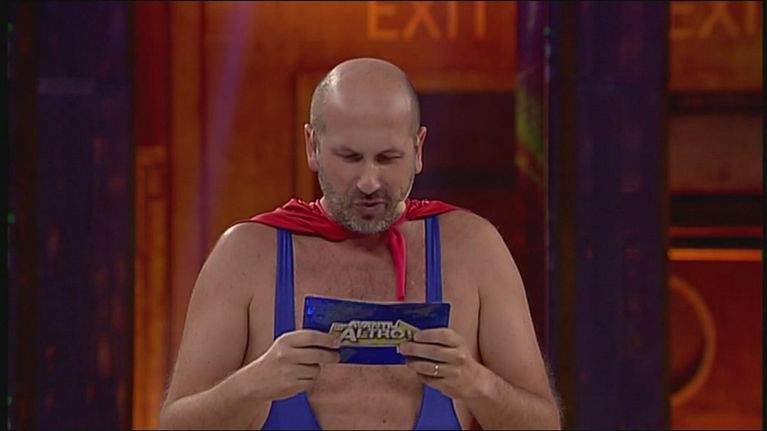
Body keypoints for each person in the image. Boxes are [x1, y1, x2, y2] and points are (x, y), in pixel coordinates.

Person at [159, 57, 561, 430]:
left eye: (387, 158)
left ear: (418, 150)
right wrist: (252, 385)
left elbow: (544, 424)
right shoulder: (246, 256)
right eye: (350, 157)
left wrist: (476, 383)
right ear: (313, 147)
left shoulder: (474, 250)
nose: (369, 182)